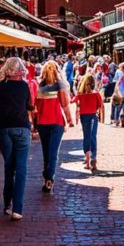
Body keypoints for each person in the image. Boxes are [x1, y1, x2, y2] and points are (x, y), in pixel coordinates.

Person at [0, 57, 33, 221]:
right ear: (19, 72)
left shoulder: (0, 87)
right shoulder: (25, 87)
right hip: (22, 128)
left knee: (9, 166)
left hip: (4, 129)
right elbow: (29, 107)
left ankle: (7, 205)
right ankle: (17, 208)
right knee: (21, 169)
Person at [35, 61, 73, 193]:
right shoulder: (60, 85)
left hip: (42, 123)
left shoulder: (40, 86)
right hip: (57, 122)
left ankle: (46, 178)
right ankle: (49, 177)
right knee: (53, 152)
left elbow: (37, 107)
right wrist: (70, 119)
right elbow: (65, 104)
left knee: (46, 152)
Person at [73, 74, 104, 171]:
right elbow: (101, 106)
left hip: (84, 117)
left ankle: (87, 160)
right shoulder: (96, 94)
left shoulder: (80, 94)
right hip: (93, 117)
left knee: (86, 137)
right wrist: (102, 119)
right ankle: (93, 158)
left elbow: (73, 100)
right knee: (93, 137)